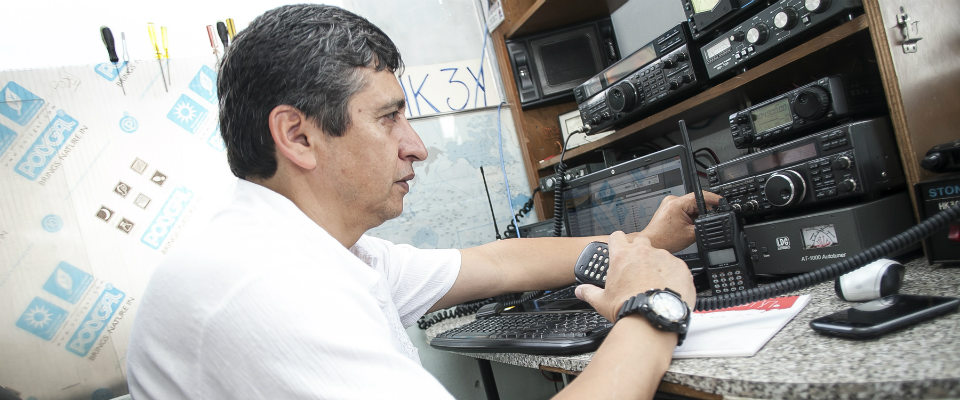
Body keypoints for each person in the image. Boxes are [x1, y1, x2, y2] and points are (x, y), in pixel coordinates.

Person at [126, 4, 721, 399]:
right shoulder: (266, 287)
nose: (417, 148)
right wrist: (655, 307)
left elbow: (495, 264)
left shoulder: (310, 247)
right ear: (298, 137)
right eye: (388, 119)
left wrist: (642, 246)